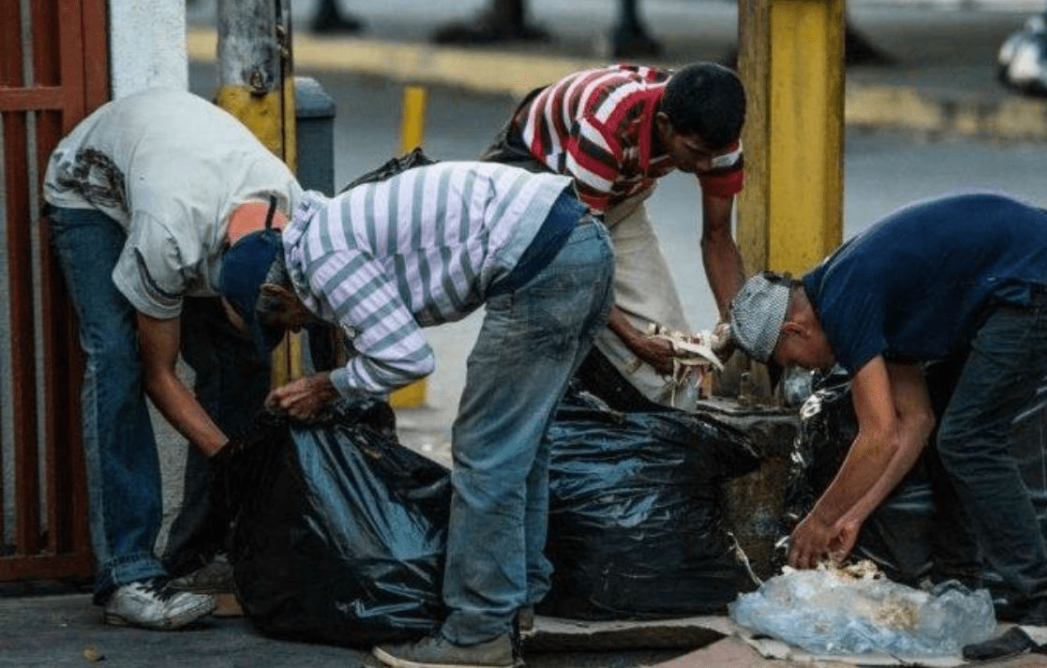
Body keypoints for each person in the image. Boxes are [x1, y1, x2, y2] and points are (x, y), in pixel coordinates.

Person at [258, 160, 614, 668]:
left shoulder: (322, 258)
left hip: (545, 259)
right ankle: (520, 604)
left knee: (485, 452)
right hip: (583, 242)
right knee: (522, 445)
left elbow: (406, 358)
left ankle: (477, 632)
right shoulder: (328, 230)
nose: (296, 332)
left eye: (288, 323)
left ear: (277, 292)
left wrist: (328, 387)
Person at [727, 192, 1047, 664]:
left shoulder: (845, 297)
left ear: (795, 330)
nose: (802, 371)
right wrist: (854, 514)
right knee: (951, 429)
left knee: (969, 439)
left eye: (790, 363)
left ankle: (1046, 615)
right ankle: (959, 585)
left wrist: (819, 522)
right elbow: (914, 422)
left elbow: (878, 435)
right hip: (1025, 278)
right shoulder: (849, 294)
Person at [42, 87, 301, 629]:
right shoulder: (168, 238)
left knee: (243, 364)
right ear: (217, 284)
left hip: (183, 180)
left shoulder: (296, 217)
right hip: (91, 193)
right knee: (117, 361)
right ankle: (127, 574)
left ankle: (197, 556)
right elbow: (160, 376)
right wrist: (235, 459)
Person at [482, 62, 746, 405]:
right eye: (696, 154)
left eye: (715, 155)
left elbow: (718, 237)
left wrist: (734, 325)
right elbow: (578, 255)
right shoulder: (607, 122)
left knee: (679, 367)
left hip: (614, 195)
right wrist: (636, 341)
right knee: (558, 322)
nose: (707, 166)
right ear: (665, 126)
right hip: (538, 184)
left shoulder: (719, 142)